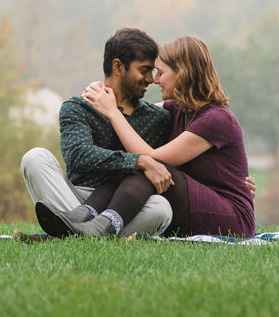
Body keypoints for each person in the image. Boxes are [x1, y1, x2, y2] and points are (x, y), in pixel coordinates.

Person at [37, 35, 255, 239]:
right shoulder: (180, 108)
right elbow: (135, 108)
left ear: (183, 72)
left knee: (148, 163)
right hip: (194, 204)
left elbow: (150, 156)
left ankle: (100, 224)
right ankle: (83, 216)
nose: (155, 80)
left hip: (231, 219)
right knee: (132, 163)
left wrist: (112, 112)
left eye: (160, 72)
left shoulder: (216, 119)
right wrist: (101, 90)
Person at [20, 28, 177, 237]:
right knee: (35, 158)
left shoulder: (158, 118)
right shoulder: (77, 107)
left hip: (126, 204)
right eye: (144, 70)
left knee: (161, 208)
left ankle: (72, 234)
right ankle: (81, 228)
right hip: (77, 199)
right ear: (118, 67)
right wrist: (138, 161)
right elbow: (78, 156)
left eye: (153, 71)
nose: (151, 78)